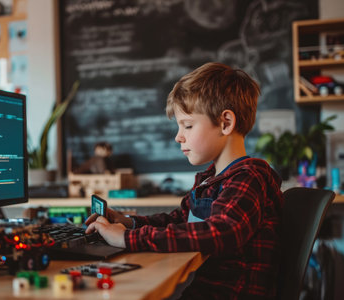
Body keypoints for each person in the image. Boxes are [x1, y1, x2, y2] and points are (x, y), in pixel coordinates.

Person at [85, 62, 284, 299]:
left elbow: (221, 232)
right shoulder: (212, 180)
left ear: (225, 123)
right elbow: (179, 220)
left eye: (187, 125)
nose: (179, 137)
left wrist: (127, 239)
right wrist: (128, 223)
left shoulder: (249, 177)